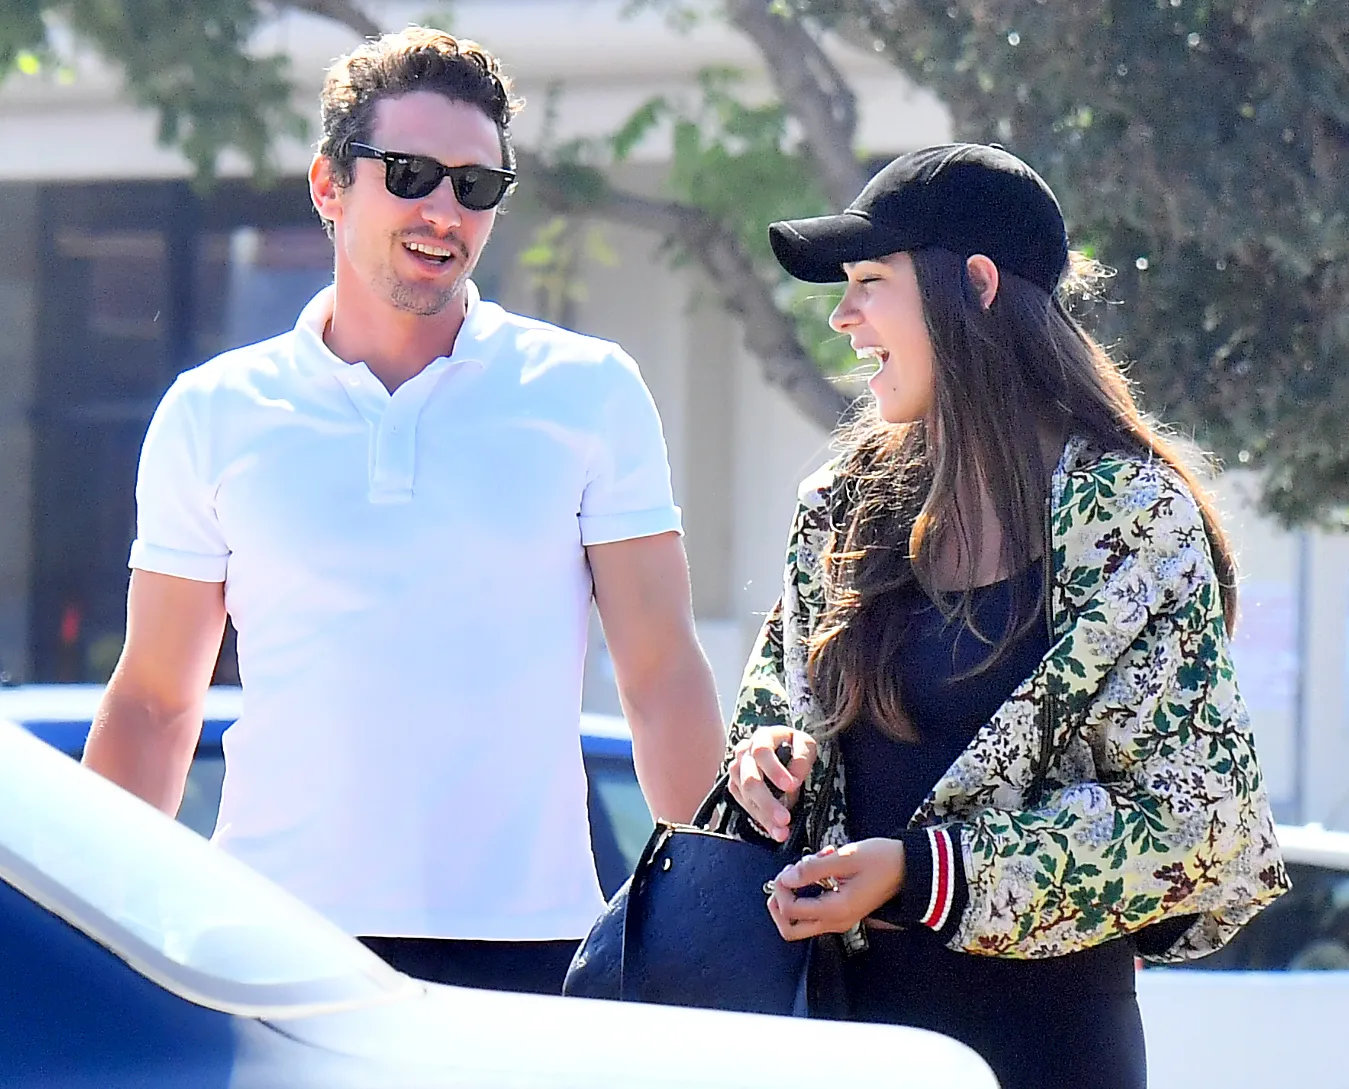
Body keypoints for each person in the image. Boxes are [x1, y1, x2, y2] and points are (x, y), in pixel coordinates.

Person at [82, 28, 726, 996]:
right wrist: (89, 928)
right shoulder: (212, 412)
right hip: (271, 949)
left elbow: (661, 674)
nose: (443, 211)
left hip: (529, 956)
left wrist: (714, 922)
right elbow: (152, 703)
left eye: (475, 187)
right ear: (328, 185)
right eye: (412, 174)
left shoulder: (588, 390)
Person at [723, 143, 1289, 1088]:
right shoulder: (839, 504)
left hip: (1042, 1048)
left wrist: (929, 871)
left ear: (976, 283)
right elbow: (770, 706)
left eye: (870, 281)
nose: (841, 315)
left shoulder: (1130, 513)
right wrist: (762, 758)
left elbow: (1198, 823)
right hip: (836, 1040)